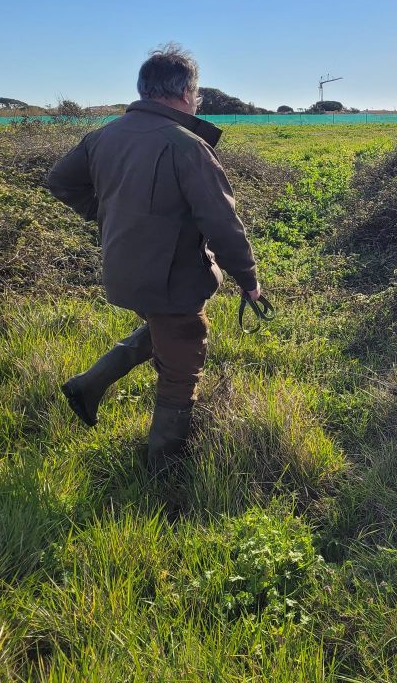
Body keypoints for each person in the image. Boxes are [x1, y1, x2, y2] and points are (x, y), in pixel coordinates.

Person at [46, 43, 261, 475]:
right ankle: (163, 472)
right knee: (182, 361)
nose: (196, 100)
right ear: (185, 92)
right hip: (170, 278)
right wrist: (248, 278)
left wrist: (107, 214)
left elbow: (59, 182)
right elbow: (221, 222)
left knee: (165, 326)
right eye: (196, 92)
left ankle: (87, 387)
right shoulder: (187, 145)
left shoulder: (104, 135)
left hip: (125, 272)